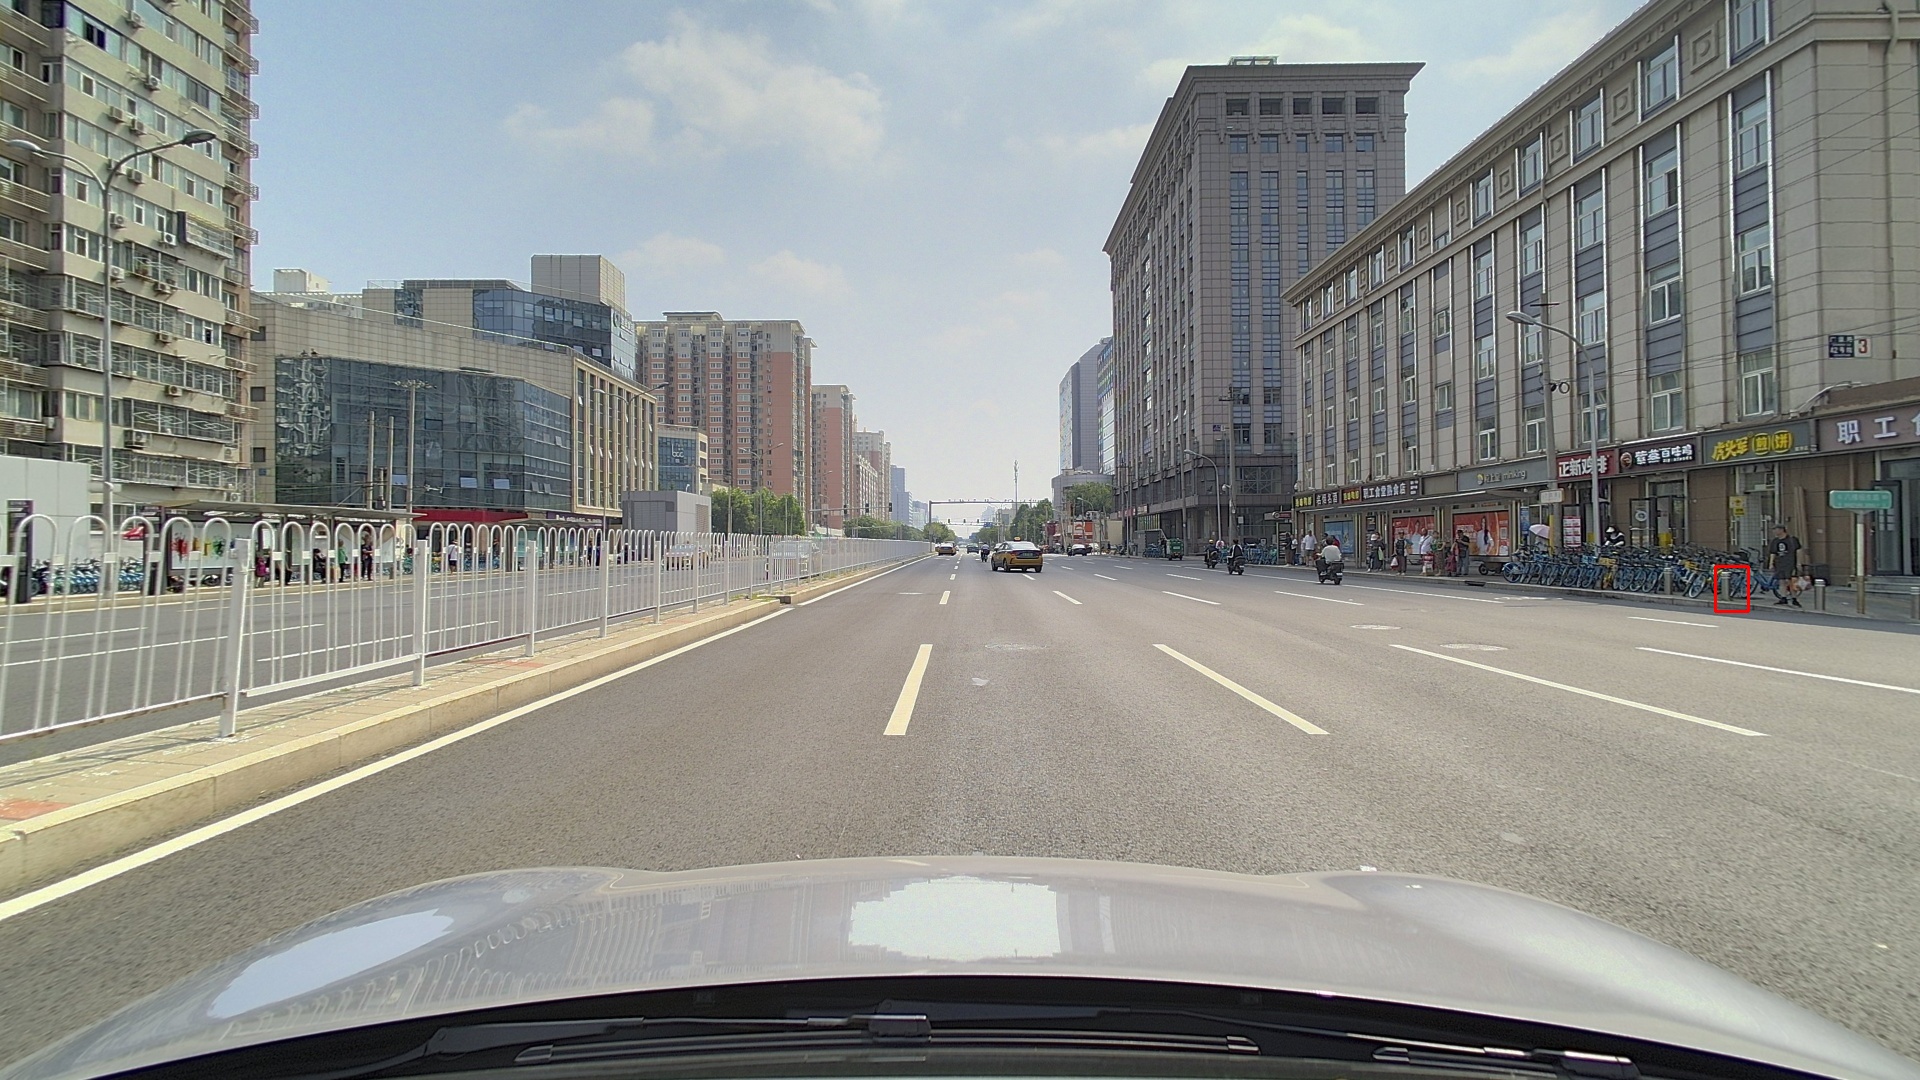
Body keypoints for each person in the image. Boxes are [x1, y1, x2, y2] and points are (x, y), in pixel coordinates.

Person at [1767, 525, 1803, 607]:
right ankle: (1783, 598)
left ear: (1781, 530)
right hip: (1779, 563)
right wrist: (1771, 563)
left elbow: (1798, 551)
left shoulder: (1792, 540)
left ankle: (1794, 598)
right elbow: (1773, 553)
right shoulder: (1775, 541)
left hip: (1790, 563)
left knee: (1790, 581)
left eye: (1775, 529)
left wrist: (1799, 563)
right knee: (1781, 581)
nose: (1774, 531)